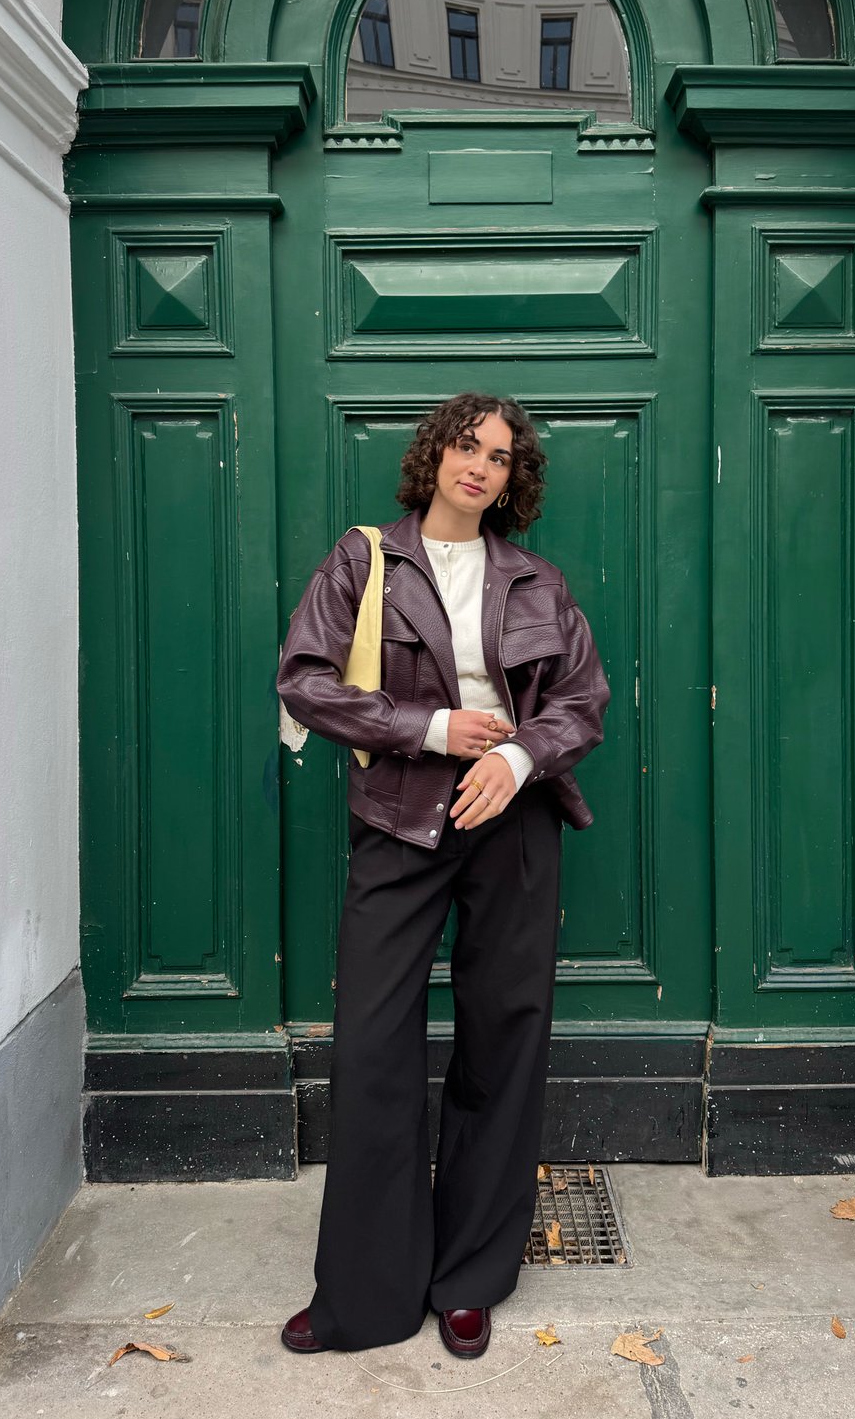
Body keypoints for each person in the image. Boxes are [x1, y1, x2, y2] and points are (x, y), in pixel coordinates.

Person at [275, 392, 611, 1359]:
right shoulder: (364, 559)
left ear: (516, 478)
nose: (482, 465)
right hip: (398, 820)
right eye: (468, 445)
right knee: (373, 1044)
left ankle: (470, 1277)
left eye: (502, 456)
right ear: (436, 455)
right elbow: (305, 677)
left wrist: (513, 760)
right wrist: (428, 729)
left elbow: (581, 702)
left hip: (512, 823)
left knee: (502, 1040)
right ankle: (364, 1293)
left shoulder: (538, 582)